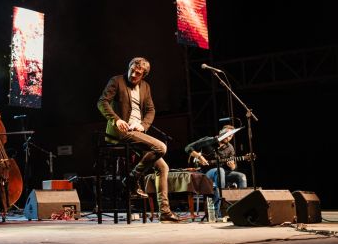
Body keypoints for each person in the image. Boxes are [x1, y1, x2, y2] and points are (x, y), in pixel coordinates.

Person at [97, 57, 180, 222]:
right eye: (132, 70)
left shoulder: (145, 87)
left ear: (143, 75)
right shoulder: (117, 81)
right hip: (120, 131)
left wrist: (143, 125)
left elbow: (150, 110)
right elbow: (102, 102)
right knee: (161, 148)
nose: (133, 74)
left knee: (163, 167)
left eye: (138, 73)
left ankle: (164, 212)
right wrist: (116, 119)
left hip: (137, 132)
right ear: (129, 67)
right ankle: (132, 179)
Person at [185, 124, 248, 217]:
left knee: (241, 176)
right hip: (206, 173)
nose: (228, 137)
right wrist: (199, 157)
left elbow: (234, 167)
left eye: (231, 135)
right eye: (227, 134)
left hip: (222, 173)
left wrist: (232, 166)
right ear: (220, 133)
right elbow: (188, 148)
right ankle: (217, 212)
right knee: (220, 171)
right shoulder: (209, 140)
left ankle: (242, 210)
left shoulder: (230, 148)